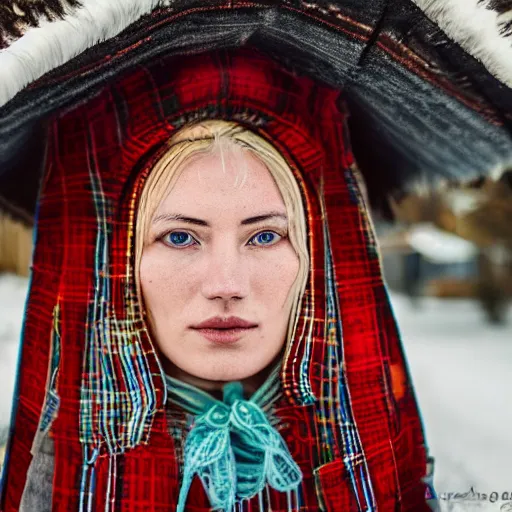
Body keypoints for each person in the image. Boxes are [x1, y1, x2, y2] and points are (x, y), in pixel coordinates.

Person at [1, 48, 438, 511]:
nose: (226, 284)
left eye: (265, 235)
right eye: (180, 237)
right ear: (119, 267)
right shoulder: (57, 467)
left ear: (315, 259)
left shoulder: (372, 448)